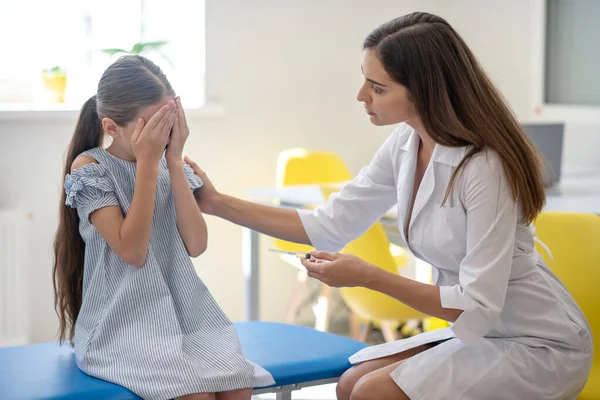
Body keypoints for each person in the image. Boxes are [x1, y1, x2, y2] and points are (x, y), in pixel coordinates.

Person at [184, 12, 592, 400]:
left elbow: (478, 307)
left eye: (377, 87)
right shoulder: (405, 142)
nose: (362, 95)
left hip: (537, 343)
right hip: (480, 332)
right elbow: (327, 225)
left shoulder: (484, 167)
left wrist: (370, 276)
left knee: (370, 392)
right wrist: (216, 203)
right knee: (351, 383)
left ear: (424, 91)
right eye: (366, 81)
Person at [52, 55, 274, 400]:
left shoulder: (172, 165)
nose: (164, 135)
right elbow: (133, 251)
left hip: (185, 314)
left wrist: (171, 160)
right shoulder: (92, 167)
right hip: (123, 323)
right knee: (194, 395)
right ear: (112, 128)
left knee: (238, 385)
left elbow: (196, 243)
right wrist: (148, 165)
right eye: (154, 126)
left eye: (170, 122)